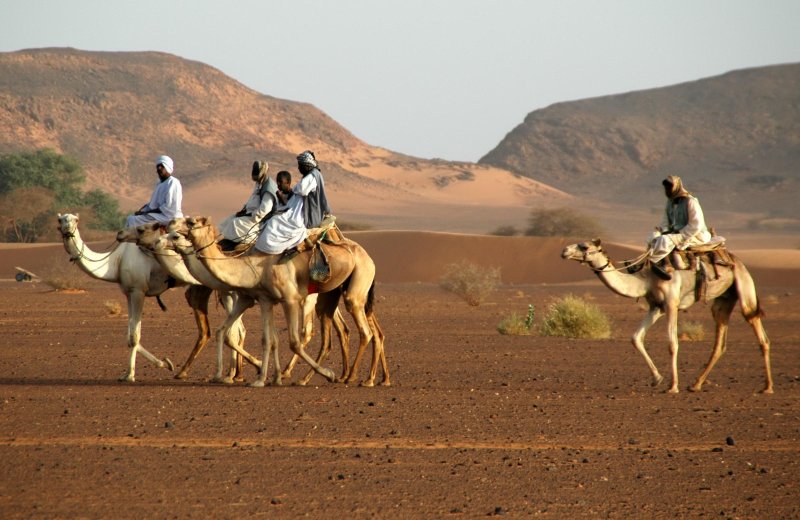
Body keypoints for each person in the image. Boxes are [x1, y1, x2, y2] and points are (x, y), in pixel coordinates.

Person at [254, 150, 332, 255]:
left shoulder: (313, 176)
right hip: (302, 211)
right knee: (274, 218)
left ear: (306, 165)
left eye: (300, 165)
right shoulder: (312, 175)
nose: (299, 168)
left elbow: (301, 189)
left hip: (308, 216)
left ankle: (274, 249)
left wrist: (292, 190)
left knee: (275, 222)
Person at [646, 175, 712, 280]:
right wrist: (663, 230)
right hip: (676, 233)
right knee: (652, 237)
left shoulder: (690, 201)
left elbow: (696, 225)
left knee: (665, 240)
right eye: (666, 188)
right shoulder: (670, 202)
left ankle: (655, 263)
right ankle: (649, 262)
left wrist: (678, 232)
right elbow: (665, 222)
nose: (667, 190)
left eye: (669, 187)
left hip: (695, 234)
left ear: (676, 187)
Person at [218, 161, 279, 249]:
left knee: (235, 223)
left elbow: (264, 210)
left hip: (260, 222)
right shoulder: (259, 184)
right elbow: (252, 200)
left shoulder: (268, 188)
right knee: (229, 219)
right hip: (250, 214)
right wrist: (244, 210)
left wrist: (250, 216)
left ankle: (234, 243)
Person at [125, 155, 183, 228]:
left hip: (169, 217)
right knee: (131, 217)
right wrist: (142, 211)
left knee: (133, 220)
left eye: (162, 166)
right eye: (158, 166)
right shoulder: (160, 183)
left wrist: (147, 212)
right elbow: (153, 204)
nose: (159, 168)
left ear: (167, 167)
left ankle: (130, 238)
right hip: (160, 215)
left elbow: (169, 207)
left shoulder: (173, 182)